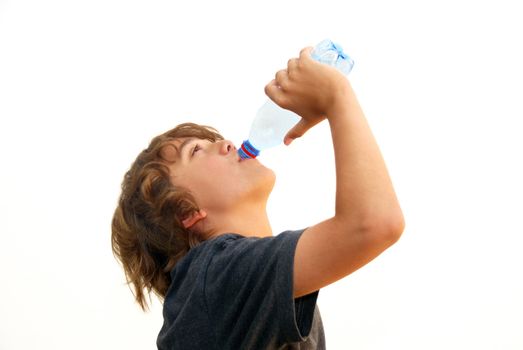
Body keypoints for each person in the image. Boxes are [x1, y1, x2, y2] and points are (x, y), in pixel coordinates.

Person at [111, 46, 405, 349]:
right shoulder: (216, 275)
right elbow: (374, 223)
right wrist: (337, 97)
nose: (224, 143)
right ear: (186, 212)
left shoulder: (251, 285)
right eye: (196, 151)